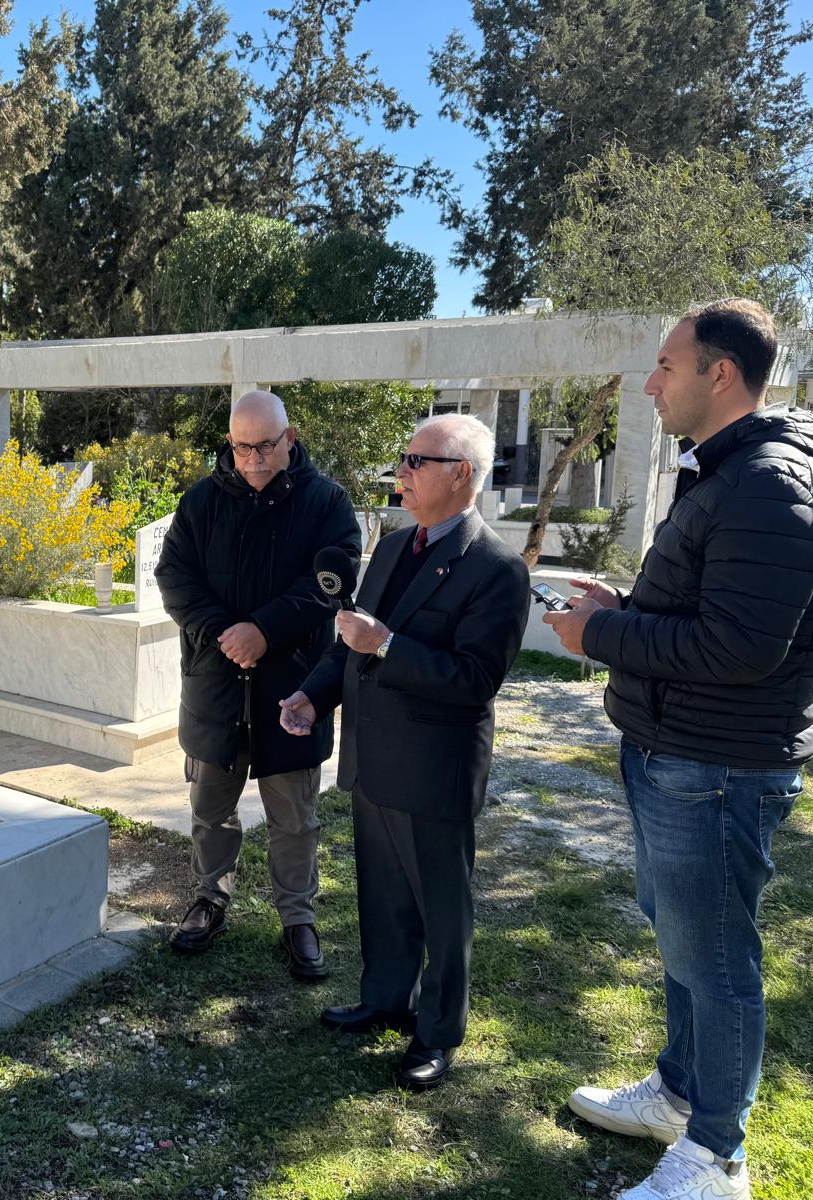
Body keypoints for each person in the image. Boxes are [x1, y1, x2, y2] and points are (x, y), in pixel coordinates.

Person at [544, 299, 813, 1200]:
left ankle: (718, 1154)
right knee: (687, 943)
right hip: (680, 751)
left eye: (666, 366)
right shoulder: (732, 470)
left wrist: (602, 636)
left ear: (721, 374)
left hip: (719, 767)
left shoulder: (769, 482)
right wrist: (626, 610)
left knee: (716, 962)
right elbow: (712, 610)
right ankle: (680, 1095)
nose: (651, 384)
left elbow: (739, 649)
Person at [281, 413, 529, 1090]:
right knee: (383, 893)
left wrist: (388, 644)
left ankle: (438, 1031)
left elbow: (474, 679)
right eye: (404, 458)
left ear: (462, 475)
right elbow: (351, 643)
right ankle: (387, 998)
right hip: (373, 758)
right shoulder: (393, 547)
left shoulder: (497, 568)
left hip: (434, 770)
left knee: (442, 911)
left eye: (419, 461)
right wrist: (312, 696)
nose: (403, 472)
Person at [155, 390, 360, 980]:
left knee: (294, 816)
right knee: (210, 808)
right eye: (242, 447)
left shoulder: (327, 502)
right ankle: (209, 898)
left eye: (265, 446)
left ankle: (297, 917)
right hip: (215, 682)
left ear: (289, 439)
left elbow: (331, 582)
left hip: (293, 685)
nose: (253, 460)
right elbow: (175, 578)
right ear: (230, 442)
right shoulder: (200, 502)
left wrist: (264, 631)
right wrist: (227, 635)